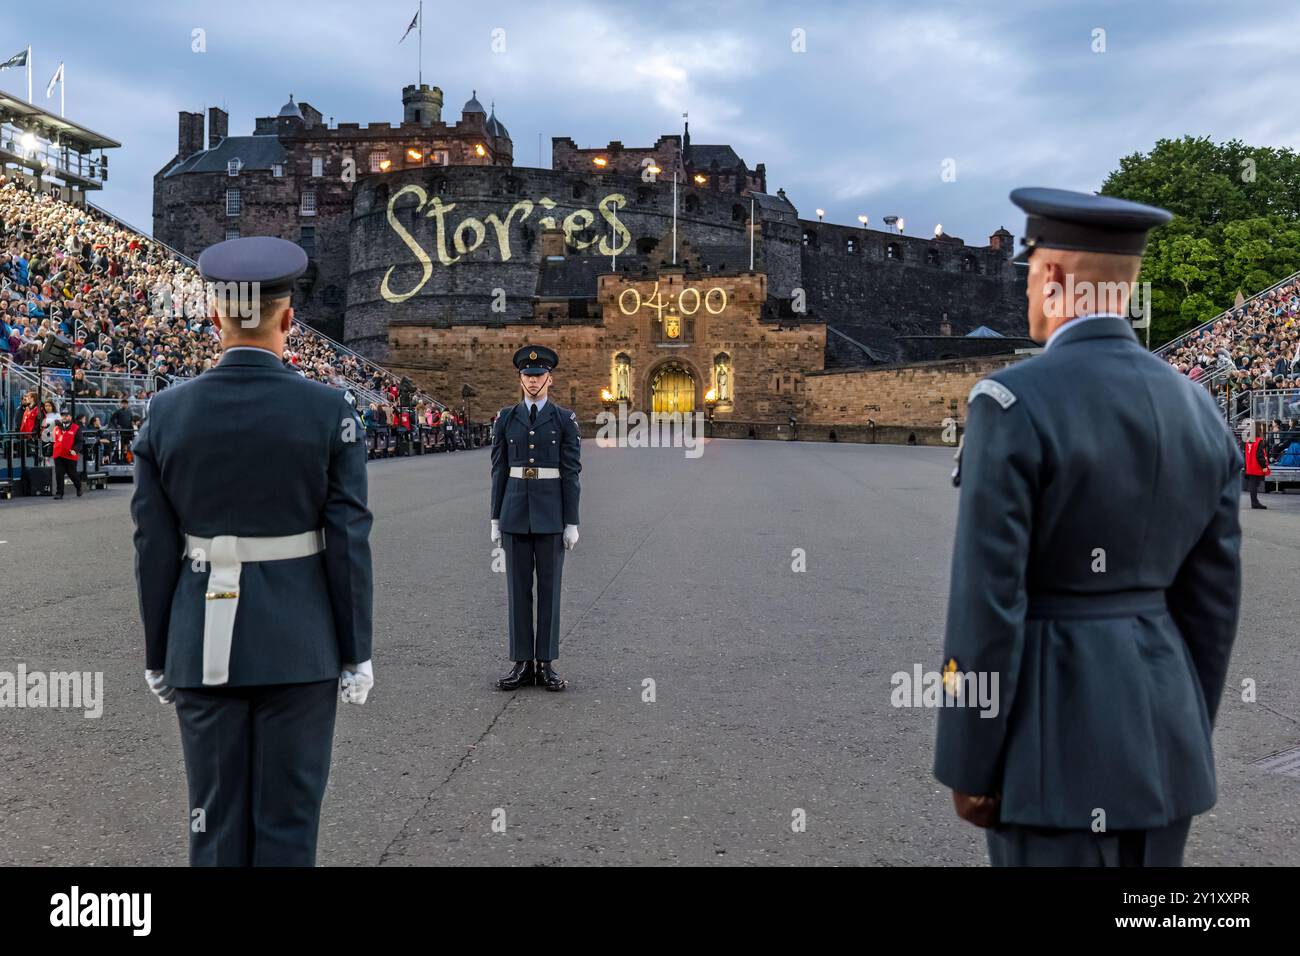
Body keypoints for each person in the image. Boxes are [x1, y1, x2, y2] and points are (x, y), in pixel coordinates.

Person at [935, 188, 1242, 867]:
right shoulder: (1199, 408)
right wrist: (1183, 730)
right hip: (1166, 752)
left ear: (1050, 278)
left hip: (1051, 753)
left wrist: (969, 758)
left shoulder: (1013, 403)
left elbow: (985, 605)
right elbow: (1212, 608)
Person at [131, 236, 375, 867]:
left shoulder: (165, 412)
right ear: (288, 317)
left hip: (199, 644)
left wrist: (159, 650)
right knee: (288, 825)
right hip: (300, 645)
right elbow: (348, 540)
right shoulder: (329, 410)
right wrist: (355, 651)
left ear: (215, 315)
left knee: (213, 825)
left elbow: (153, 548)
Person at [490, 345, 582, 691]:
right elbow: (498, 469)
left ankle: (545, 663)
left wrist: (571, 521)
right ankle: (521, 663)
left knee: (549, 590)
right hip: (514, 511)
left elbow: (571, 471)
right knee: (517, 592)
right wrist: (495, 518)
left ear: (549, 378)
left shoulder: (563, 419)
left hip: (550, 514)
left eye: (538, 376)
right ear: (520, 379)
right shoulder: (506, 418)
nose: (532, 381)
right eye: (527, 376)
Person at [51, 405, 84, 499]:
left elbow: (80, 441)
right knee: (59, 474)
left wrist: (75, 450)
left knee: (72, 474)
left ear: (70, 417)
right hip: (58, 455)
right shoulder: (57, 427)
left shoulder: (76, 428)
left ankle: (79, 487)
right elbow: (54, 440)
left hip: (70, 455)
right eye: (63, 415)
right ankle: (59, 493)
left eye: (66, 415)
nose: (64, 417)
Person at [1244, 423, 1271, 509]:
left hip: (1250, 464)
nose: (1262, 429)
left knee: (1253, 484)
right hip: (1256, 465)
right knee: (1255, 484)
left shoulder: (1248, 440)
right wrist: (1264, 466)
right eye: (1261, 427)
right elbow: (1260, 455)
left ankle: (1254, 502)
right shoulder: (1259, 440)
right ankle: (1255, 502)